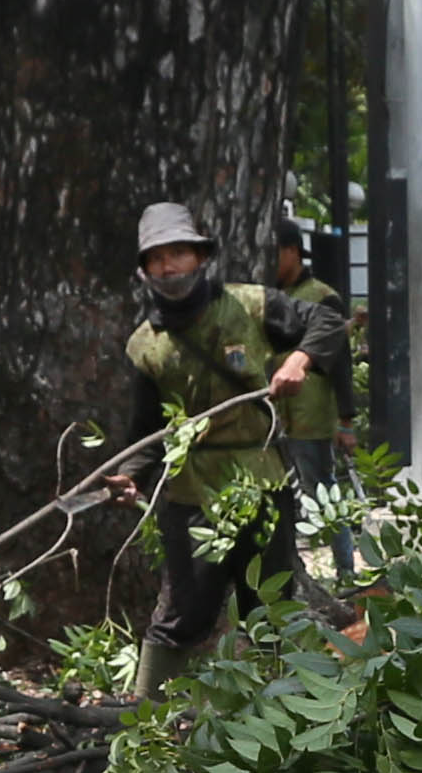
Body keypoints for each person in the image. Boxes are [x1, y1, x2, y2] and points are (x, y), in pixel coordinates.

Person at [118, 199, 307, 682]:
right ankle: (145, 724)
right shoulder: (144, 345)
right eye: (157, 258)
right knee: (183, 615)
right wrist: (131, 476)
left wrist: (300, 359)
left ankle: (284, 719)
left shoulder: (254, 305)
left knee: (271, 608)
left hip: (264, 484)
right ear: (144, 270)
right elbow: (147, 427)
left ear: (200, 257)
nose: (168, 266)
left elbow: (324, 321)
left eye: (178, 253)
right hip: (192, 495)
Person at [257, 217, 361, 586]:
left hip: (310, 409)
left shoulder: (321, 295)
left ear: (291, 252)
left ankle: (346, 569)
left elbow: (342, 362)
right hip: (269, 412)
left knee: (323, 490)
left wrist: (346, 420)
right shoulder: (261, 296)